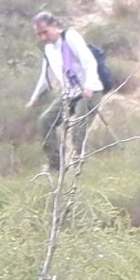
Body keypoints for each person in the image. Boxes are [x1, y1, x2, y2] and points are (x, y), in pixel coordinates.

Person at [29, 11, 104, 171]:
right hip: (69, 94)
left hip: (88, 90)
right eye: (39, 34)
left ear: (54, 26)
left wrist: (89, 85)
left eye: (45, 32)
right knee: (45, 121)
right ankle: (56, 165)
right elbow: (46, 77)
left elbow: (88, 61)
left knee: (78, 127)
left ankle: (79, 164)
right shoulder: (49, 50)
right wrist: (35, 98)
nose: (43, 37)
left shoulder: (70, 37)